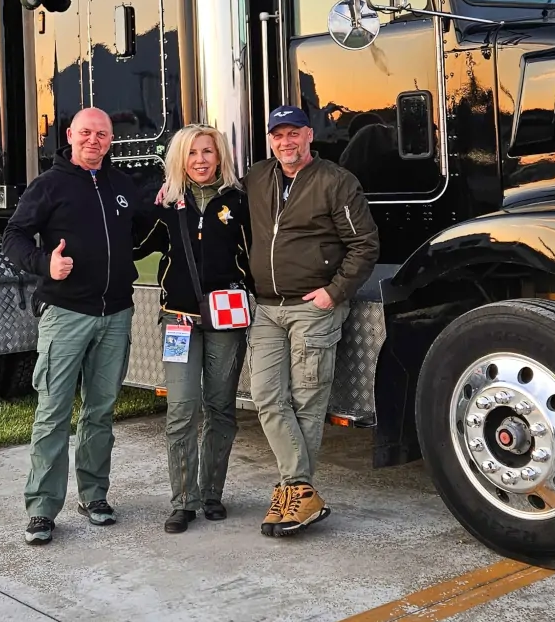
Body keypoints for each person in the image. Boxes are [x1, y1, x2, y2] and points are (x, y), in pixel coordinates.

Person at [2, 107, 151, 546]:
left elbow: (141, 232)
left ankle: (94, 496)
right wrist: (44, 264)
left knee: (100, 412)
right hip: (66, 314)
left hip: (116, 315)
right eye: (85, 133)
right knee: (53, 414)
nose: (94, 140)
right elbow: (14, 235)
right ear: (69, 135)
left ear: (110, 140)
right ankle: (43, 509)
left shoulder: (121, 184)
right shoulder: (49, 185)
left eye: (102, 134)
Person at [244, 105, 380, 537]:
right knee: (267, 396)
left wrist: (333, 293)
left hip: (313, 307)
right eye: (278, 135)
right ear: (270, 140)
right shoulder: (257, 177)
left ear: (309, 136)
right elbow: (211, 191)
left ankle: (293, 494)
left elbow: (364, 245)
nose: (286, 142)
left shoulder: (336, 181)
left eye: (294, 134)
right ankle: (300, 491)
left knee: (306, 401)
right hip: (266, 306)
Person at [135, 125, 251, 534]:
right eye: (192, 153)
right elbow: (132, 246)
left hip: (226, 321)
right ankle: (182, 501)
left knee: (221, 408)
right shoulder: (167, 203)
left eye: (208, 151)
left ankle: (211, 494)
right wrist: (148, 205)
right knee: (182, 408)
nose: (201, 160)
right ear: (180, 159)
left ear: (220, 156)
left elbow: (255, 259)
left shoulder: (239, 201)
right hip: (179, 320)